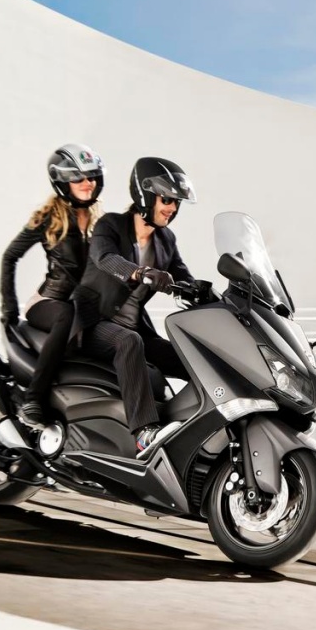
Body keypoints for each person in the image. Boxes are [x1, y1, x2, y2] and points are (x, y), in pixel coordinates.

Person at [72, 156, 196, 459]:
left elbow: (183, 277)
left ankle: (194, 429)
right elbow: (105, 258)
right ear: (145, 195)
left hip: (134, 327)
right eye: (167, 199)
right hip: (94, 323)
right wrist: (140, 272)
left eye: (177, 202)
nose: (172, 208)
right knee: (129, 342)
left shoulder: (166, 240)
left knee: (190, 358)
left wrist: (213, 294)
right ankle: (144, 432)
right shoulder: (111, 225)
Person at [0, 143, 104, 429]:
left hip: (82, 306)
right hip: (49, 303)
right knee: (66, 314)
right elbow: (10, 257)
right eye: (78, 177)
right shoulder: (49, 217)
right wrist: (8, 309)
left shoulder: (99, 221)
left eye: (92, 176)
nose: (87, 183)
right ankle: (32, 399)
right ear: (63, 181)